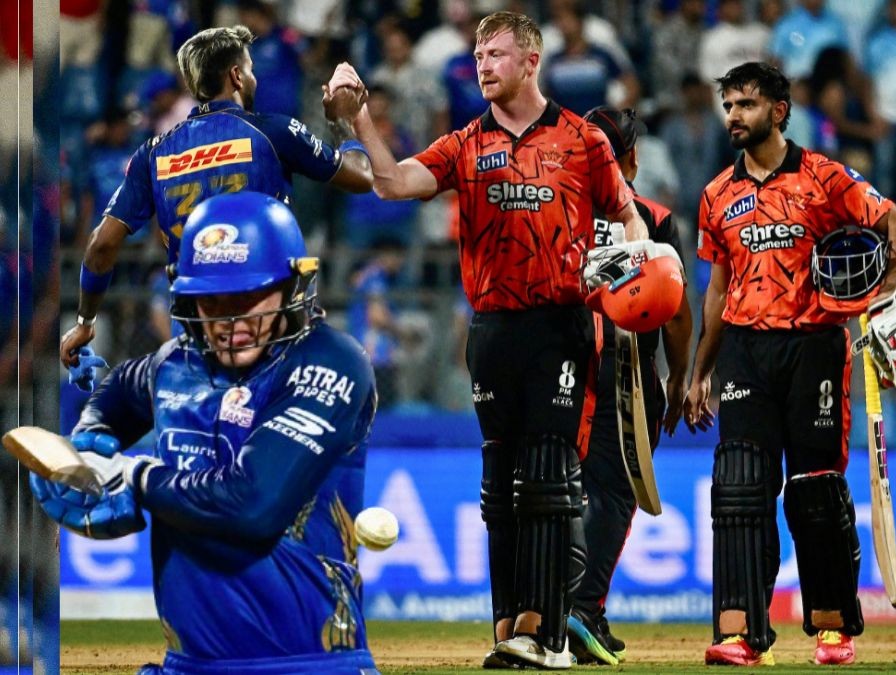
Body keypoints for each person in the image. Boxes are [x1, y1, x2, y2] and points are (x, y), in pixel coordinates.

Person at [331, 10, 652, 669]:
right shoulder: (465, 144)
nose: (482, 65)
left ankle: (545, 632)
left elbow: (631, 217)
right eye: (478, 55)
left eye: (496, 54)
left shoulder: (583, 139)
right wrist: (359, 119)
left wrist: (624, 266)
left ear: (531, 61)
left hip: (559, 325)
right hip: (492, 330)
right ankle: (510, 628)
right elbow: (392, 183)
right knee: (500, 486)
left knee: (547, 474)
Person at [32, 192, 380, 674]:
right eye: (212, 299)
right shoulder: (174, 364)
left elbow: (252, 504)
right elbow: (120, 391)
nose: (231, 320)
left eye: (249, 296)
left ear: (293, 286)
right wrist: (88, 445)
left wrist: (133, 478)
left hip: (311, 664)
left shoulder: (329, 361)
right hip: (188, 665)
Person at [684, 62, 896, 667]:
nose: (734, 116)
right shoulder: (716, 194)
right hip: (744, 349)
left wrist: (886, 301)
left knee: (815, 489)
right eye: (729, 105)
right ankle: (741, 632)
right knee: (739, 487)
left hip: (815, 344)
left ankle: (831, 627)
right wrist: (699, 372)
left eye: (746, 104)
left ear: (779, 111)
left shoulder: (825, 177)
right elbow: (717, 290)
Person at [59, 25, 374, 390]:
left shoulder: (154, 153)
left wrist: (85, 323)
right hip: (267, 321)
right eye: (251, 70)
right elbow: (361, 177)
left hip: (196, 330)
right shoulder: (273, 132)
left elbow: (101, 245)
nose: (254, 79)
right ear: (237, 76)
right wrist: (341, 122)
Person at [566, 106, 693, 666]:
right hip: (627, 378)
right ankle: (583, 608)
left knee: (560, 493)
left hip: (560, 374)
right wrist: (679, 376)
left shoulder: (556, 208)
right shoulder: (654, 218)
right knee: (616, 493)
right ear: (632, 160)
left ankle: (556, 611)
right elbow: (679, 313)